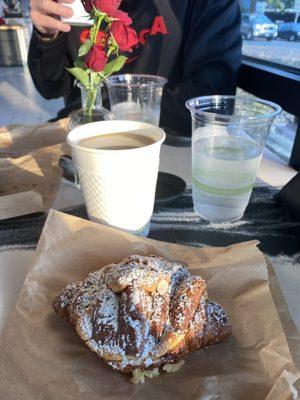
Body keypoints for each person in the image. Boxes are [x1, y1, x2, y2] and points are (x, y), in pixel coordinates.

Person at [28, 0, 242, 139]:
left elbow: (210, 102)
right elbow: (51, 88)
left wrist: (104, 112)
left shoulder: (206, 5)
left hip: (172, 142)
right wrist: (46, 35)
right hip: (83, 135)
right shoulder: (72, 6)